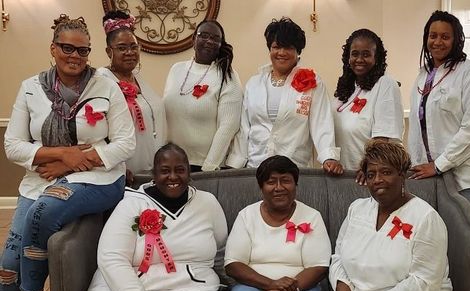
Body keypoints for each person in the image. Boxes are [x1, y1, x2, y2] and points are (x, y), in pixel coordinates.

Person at [0, 14, 135, 291]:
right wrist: (63, 154)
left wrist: (70, 163)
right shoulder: (30, 88)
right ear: (53, 48)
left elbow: (126, 143)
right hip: (39, 181)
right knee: (8, 265)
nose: (75, 56)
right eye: (67, 48)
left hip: (98, 178)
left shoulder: (105, 85)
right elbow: (12, 145)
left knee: (43, 212)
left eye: (83, 50)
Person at [84, 143, 228, 291]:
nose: (173, 177)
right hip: (126, 287)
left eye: (180, 170)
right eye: (165, 171)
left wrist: (230, 285)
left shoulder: (208, 202)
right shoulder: (131, 204)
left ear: (189, 172)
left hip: (190, 285)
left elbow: (221, 249)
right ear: (154, 174)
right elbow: (111, 258)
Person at [330, 139, 452, 291]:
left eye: (386, 172)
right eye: (371, 175)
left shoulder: (426, 219)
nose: (377, 180)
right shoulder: (356, 209)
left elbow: (423, 283)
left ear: (402, 175)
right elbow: (338, 259)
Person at [226, 17, 343, 176]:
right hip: (255, 167)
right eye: (276, 47)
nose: (281, 53)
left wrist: (329, 157)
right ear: (270, 49)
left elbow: (322, 123)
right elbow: (244, 128)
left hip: (294, 169)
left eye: (288, 47)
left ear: (298, 51)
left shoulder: (313, 82)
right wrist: (235, 164)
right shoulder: (254, 84)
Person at [407, 10, 470, 218]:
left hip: (465, 179)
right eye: (433, 36)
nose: (438, 42)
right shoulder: (423, 75)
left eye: (445, 36)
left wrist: (440, 164)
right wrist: (415, 165)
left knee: (464, 243)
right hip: (428, 176)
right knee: (432, 238)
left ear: (456, 40)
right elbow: (417, 127)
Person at [225, 155, 331, 291]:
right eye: (271, 182)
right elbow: (233, 264)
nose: (279, 188)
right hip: (251, 285)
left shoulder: (312, 216)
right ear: (261, 187)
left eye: (286, 181)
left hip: (300, 287)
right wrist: (271, 284)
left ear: (296, 185)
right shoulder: (246, 215)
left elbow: (318, 267)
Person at [97, 10, 167, 186]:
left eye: (134, 47)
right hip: (121, 172)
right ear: (108, 51)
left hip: (150, 170)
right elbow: (95, 132)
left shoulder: (138, 78)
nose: (129, 52)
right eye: (122, 48)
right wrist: (115, 165)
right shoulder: (101, 81)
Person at [163, 20, 243, 172]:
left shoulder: (228, 76)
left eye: (215, 38)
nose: (209, 41)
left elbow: (228, 127)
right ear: (193, 39)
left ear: (221, 44)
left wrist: (209, 167)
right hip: (172, 162)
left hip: (203, 165)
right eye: (204, 35)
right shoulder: (176, 69)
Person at [333, 28, 404, 170]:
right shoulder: (346, 88)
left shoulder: (385, 84)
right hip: (344, 176)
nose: (359, 59)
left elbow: (383, 140)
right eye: (354, 54)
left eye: (366, 54)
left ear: (376, 58)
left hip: (370, 176)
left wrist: (369, 168)